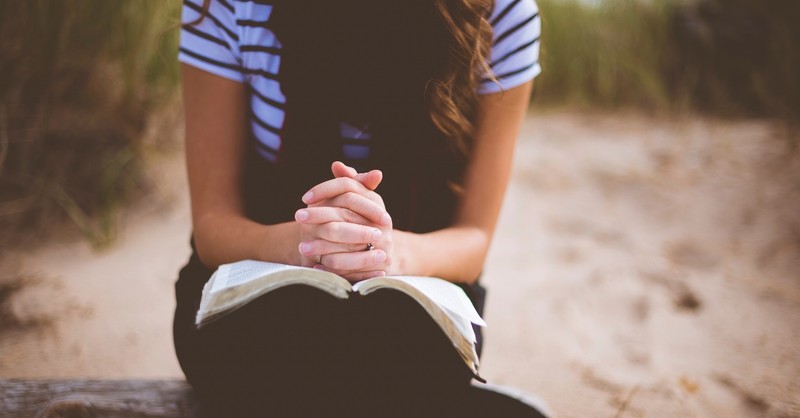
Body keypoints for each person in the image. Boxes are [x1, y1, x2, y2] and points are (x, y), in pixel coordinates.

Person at [172, 0, 546, 416]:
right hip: (256, 290)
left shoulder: (499, 13)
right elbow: (211, 225)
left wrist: (386, 249)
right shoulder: (229, 5)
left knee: (394, 360)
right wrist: (304, 245)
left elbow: (474, 239)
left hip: (416, 297)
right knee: (281, 356)